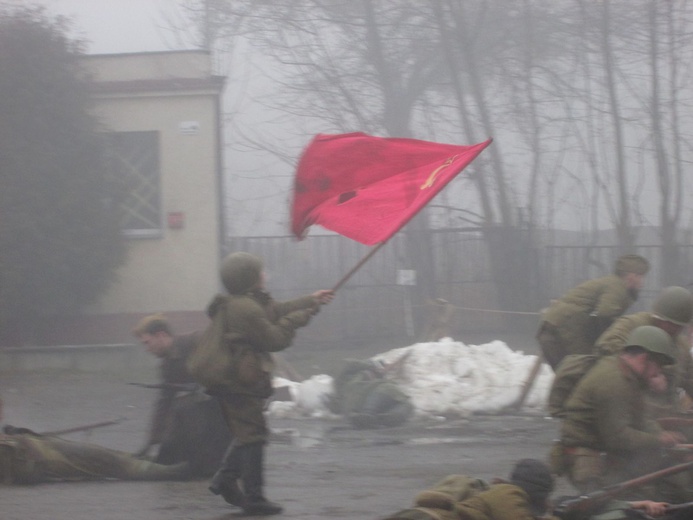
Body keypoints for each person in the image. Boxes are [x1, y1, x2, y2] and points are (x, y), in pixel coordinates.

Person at [204, 251, 334, 515]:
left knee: (249, 433)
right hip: (239, 381)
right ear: (249, 277)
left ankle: (225, 479)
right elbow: (275, 338)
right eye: (260, 271)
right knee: (253, 435)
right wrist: (300, 318)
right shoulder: (246, 308)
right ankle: (253, 497)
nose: (265, 274)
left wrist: (312, 300)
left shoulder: (244, 302)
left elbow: (276, 311)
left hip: (239, 379)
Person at [551, 325, 690, 502]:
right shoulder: (614, 382)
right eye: (658, 366)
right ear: (645, 359)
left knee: (653, 486)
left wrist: (664, 437)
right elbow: (619, 438)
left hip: (603, 449)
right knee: (607, 505)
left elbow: (641, 418)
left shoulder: (628, 376)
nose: (658, 372)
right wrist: (658, 439)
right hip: (585, 457)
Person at [536, 254, 650, 370]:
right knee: (583, 370)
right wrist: (612, 338)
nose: (642, 282)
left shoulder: (610, 283)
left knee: (568, 376)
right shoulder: (617, 287)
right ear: (630, 276)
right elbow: (605, 314)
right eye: (640, 276)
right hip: (566, 329)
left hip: (551, 327)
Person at [594, 286, 693, 418]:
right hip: (626, 410)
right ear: (659, 317)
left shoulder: (681, 348)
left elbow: (690, 380)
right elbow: (605, 349)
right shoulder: (631, 326)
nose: (676, 330)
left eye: (679, 326)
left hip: (663, 415)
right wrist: (646, 371)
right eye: (671, 324)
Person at [131, 314, 203, 457]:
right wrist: (151, 442)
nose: (147, 349)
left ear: (161, 335)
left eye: (147, 342)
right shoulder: (167, 365)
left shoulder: (196, 341)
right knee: (168, 448)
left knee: (183, 407)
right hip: (206, 407)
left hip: (226, 403)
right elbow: (164, 403)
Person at [328, 358, 414, 429]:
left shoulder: (373, 385)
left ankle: (391, 417)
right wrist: (371, 366)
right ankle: (368, 414)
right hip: (359, 404)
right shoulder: (349, 379)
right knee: (389, 389)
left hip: (362, 406)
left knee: (405, 403)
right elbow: (349, 365)